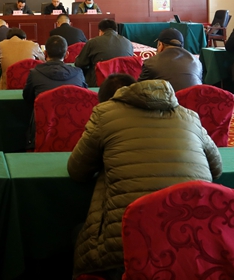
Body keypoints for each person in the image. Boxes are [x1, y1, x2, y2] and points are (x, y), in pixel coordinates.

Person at [67, 78, 222, 278]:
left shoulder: (105, 113)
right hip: (196, 242)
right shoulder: (190, 117)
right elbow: (217, 168)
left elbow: (77, 170)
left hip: (128, 246)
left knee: (77, 234)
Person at [23, 35, 87, 148]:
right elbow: (84, 98)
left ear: (45, 53)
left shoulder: (35, 73)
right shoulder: (78, 73)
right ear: (67, 54)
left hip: (44, 130)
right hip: (76, 133)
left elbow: (28, 98)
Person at [137, 28, 202, 92]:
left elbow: (139, 89)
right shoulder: (197, 62)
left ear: (160, 45)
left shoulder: (151, 62)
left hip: (170, 99)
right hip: (196, 98)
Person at [75, 19, 135, 86]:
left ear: (100, 31)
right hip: (124, 83)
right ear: (116, 31)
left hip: (99, 84)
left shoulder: (93, 42)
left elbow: (79, 63)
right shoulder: (128, 43)